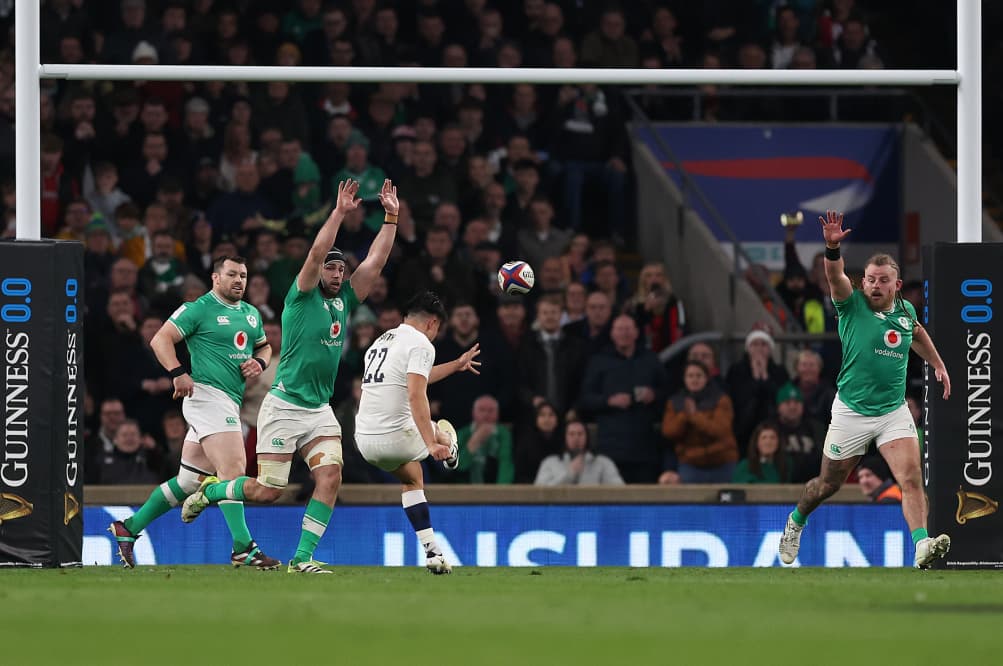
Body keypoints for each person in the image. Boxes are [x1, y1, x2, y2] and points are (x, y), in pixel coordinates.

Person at [181, 179, 405, 574]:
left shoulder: (346, 300)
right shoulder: (301, 296)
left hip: (319, 410)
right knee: (268, 492)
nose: (336, 273)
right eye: (331, 268)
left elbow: (375, 263)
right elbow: (317, 251)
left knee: (331, 476)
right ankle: (212, 490)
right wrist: (339, 213)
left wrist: (391, 217)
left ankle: (301, 559)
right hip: (284, 407)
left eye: (341, 268)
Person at [779, 210, 952, 569]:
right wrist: (831, 247)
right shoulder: (850, 304)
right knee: (827, 484)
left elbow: (916, 332)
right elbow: (834, 274)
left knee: (910, 478)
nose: (875, 285)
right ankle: (796, 521)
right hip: (851, 411)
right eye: (870, 279)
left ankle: (921, 547)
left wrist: (936, 363)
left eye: (882, 280)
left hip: (892, 412)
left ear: (896, 285)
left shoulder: (904, 312)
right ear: (863, 283)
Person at [108, 255, 278, 570]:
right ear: (216, 278)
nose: (239, 280)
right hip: (206, 397)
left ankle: (128, 528)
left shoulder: (252, 314)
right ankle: (244, 547)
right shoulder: (198, 308)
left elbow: (264, 346)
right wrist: (177, 372)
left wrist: (261, 362)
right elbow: (160, 339)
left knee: (188, 481)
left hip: (229, 401)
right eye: (231, 274)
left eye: (243, 274)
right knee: (233, 470)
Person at [355, 290, 481, 573]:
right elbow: (416, 394)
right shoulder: (422, 343)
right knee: (441, 431)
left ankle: (433, 552)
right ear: (433, 323)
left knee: (413, 478)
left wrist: (456, 365)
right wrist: (431, 442)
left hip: (364, 442)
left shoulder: (381, 341)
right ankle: (449, 446)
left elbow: (416, 375)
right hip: (396, 438)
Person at [534, 419, 624, 486]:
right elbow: (538, 493)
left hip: (591, 510)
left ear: (587, 437)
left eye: (580, 434)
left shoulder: (603, 462)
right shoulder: (550, 462)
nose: (576, 438)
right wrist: (569, 474)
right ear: (565, 438)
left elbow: (620, 490)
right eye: (571, 434)